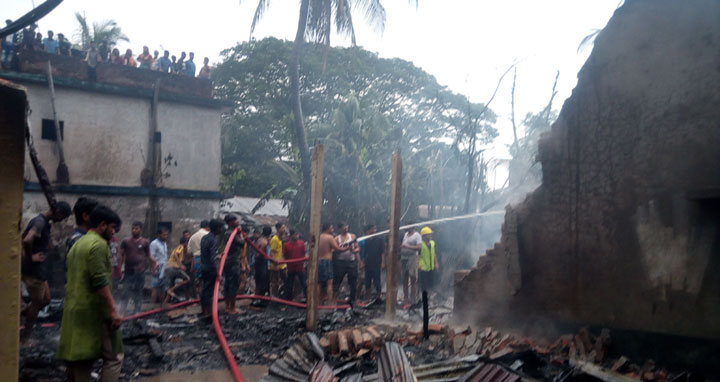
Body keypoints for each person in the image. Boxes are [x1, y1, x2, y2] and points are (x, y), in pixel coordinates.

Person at [57, 205, 123, 382]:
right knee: (115, 357)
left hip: (74, 309)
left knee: (81, 360)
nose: (113, 232)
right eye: (112, 228)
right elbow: (100, 282)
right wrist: (113, 310)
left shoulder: (78, 243)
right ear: (102, 225)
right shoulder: (98, 245)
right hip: (94, 311)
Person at [20, 201, 72, 341]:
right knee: (37, 303)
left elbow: (22, 238)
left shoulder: (42, 223)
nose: (61, 221)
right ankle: (25, 338)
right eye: (63, 217)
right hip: (33, 270)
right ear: (59, 212)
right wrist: (30, 257)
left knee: (46, 300)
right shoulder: (40, 222)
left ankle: (22, 311)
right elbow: (26, 240)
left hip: (40, 271)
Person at [118, 222, 158, 314]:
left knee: (138, 292)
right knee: (125, 292)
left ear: (141, 230)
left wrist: (155, 263)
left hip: (140, 272)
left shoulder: (145, 242)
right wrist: (119, 269)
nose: (134, 230)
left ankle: (137, 312)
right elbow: (121, 255)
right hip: (128, 272)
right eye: (133, 228)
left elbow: (149, 256)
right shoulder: (126, 241)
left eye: (136, 228)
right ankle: (122, 312)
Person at [218, 214, 247, 314]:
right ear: (230, 223)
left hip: (229, 262)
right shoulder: (231, 234)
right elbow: (242, 244)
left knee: (228, 284)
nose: (237, 222)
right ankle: (232, 308)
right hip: (232, 262)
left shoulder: (228, 233)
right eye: (235, 220)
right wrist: (240, 234)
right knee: (233, 285)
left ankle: (228, 307)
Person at [200, 219, 224, 317]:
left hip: (203, 266)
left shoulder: (204, 238)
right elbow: (212, 258)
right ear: (217, 228)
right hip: (210, 269)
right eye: (221, 228)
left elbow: (206, 253)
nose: (222, 230)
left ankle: (204, 311)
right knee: (209, 292)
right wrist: (218, 273)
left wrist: (217, 255)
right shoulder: (213, 240)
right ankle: (210, 314)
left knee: (205, 290)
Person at [317, 223, 345, 305]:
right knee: (329, 283)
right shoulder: (329, 237)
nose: (333, 230)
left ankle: (317, 302)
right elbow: (338, 248)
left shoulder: (318, 236)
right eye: (331, 228)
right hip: (326, 261)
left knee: (319, 283)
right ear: (327, 229)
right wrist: (347, 248)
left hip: (318, 261)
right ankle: (330, 302)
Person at [333, 222, 360, 305]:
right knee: (337, 281)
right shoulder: (337, 238)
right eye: (344, 227)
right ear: (340, 228)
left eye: (346, 226)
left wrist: (353, 250)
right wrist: (343, 248)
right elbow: (334, 250)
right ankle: (334, 300)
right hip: (340, 262)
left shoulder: (352, 236)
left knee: (353, 281)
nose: (345, 228)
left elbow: (357, 248)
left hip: (351, 261)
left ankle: (352, 300)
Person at [163, 237, 190, 304]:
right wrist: (180, 265)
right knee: (187, 279)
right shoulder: (181, 247)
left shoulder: (177, 248)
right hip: (173, 268)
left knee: (170, 288)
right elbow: (176, 255)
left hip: (167, 268)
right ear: (185, 243)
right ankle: (171, 290)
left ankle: (164, 305)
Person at [400, 225, 422, 305]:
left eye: (407, 226)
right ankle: (406, 298)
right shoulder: (406, 234)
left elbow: (419, 247)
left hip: (412, 258)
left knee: (413, 279)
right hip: (404, 258)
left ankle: (412, 299)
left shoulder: (417, 235)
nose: (405, 228)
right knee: (404, 279)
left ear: (412, 227)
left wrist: (407, 246)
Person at [362, 224, 385, 301]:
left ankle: (378, 297)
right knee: (367, 281)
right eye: (372, 229)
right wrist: (363, 262)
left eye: (375, 229)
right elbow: (365, 252)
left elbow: (382, 252)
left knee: (377, 280)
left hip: (376, 263)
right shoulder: (367, 240)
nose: (374, 230)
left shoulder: (379, 239)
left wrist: (382, 262)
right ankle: (368, 298)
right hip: (368, 264)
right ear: (369, 230)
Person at [283, 229, 307, 301]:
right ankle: (288, 299)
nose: (297, 236)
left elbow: (304, 253)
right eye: (295, 234)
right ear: (291, 235)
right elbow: (285, 256)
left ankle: (307, 297)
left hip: (300, 267)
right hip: (291, 268)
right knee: (290, 283)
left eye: (297, 234)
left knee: (303, 283)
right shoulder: (286, 245)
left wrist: (304, 260)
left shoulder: (301, 243)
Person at [251, 226, 272, 306]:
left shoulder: (260, 240)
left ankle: (260, 299)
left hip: (259, 264)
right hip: (262, 263)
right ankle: (260, 300)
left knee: (260, 282)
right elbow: (258, 254)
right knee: (263, 282)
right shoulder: (264, 242)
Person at [149, 227, 169, 304]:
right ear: (159, 235)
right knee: (155, 288)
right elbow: (151, 257)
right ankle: (152, 307)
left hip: (164, 268)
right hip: (157, 268)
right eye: (164, 235)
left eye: (166, 235)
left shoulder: (164, 243)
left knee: (163, 289)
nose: (165, 236)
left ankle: (161, 308)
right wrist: (154, 269)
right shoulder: (154, 244)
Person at [418, 227, 439, 293]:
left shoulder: (432, 243)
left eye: (430, 234)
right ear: (424, 236)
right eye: (429, 234)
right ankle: (424, 300)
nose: (431, 235)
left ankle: (430, 298)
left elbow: (434, 253)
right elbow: (416, 255)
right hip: (423, 267)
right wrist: (418, 264)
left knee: (431, 283)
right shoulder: (420, 244)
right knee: (424, 285)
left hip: (431, 267)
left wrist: (436, 263)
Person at [269, 223, 287, 298]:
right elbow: (271, 253)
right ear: (278, 229)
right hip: (276, 265)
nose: (284, 229)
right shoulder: (275, 239)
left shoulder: (281, 238)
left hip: (282, 264)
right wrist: (275, 263)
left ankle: (282, 295)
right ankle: (275, 297)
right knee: (275, 282)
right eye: (283, 227)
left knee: (286, 280)